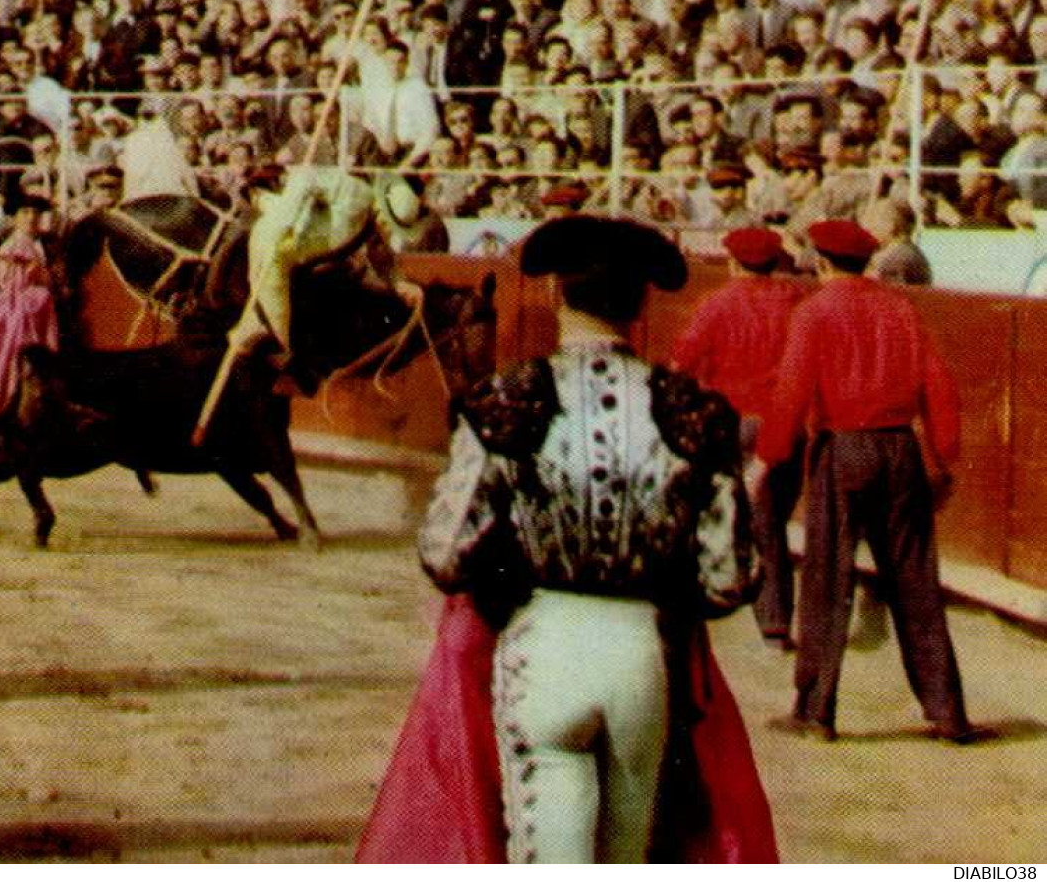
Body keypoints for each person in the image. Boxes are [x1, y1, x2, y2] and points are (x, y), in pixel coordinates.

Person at [404, 216, 762, 863]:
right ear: (641, 303)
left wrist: (512, 571)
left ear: (551, 293)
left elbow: (443, 552)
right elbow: (728, 576)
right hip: (639, 657)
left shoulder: (507, 399)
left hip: (544, 648)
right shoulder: (689, 409)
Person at [751, 220, 976, 744]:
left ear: (823, 264)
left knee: (828, 580)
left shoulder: (815, 312)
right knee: (917, 582)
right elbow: (939, 387)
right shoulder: (900, 308)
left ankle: (815, 712)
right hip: (900, 448)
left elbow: (792, 391)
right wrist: (943, 459)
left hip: (844, 448)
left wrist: (767, 459)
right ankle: (948, 714)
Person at [671, 227, 807, 648]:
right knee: (773, 518)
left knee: (750, 520)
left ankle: (769, 617)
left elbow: (682, 362)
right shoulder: (796, 301)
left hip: (735, 423)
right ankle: (770, 611)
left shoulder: (717, 304)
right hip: (789, 423)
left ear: (732, 263)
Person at [0, 186, 59, 420]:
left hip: (28, 309)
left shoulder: (39, 244)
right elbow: (13, 286)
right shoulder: (15, 245)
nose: (31, 218)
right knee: (17, 357)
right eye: (25, 212)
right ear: (15, 217)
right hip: (17, 310)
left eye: (35, 213)